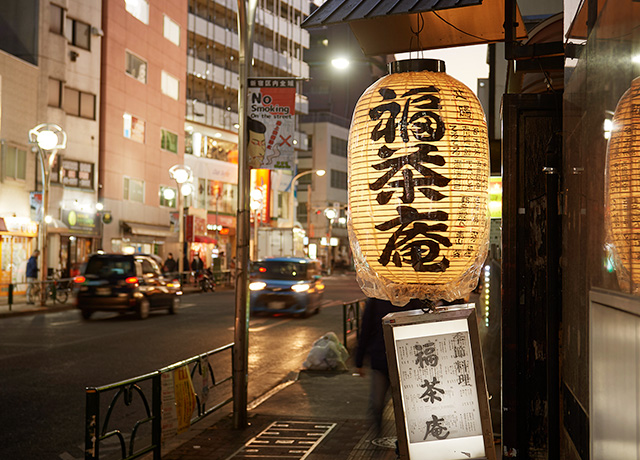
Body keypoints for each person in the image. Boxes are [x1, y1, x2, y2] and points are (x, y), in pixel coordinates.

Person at [355, 296, 425, 435]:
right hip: (380, 359)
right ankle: (378, 431)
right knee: (377, 403)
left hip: (405, 363)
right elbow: (365, 329)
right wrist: (359, 360)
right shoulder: (376, 300)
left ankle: (405, 437)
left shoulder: (413, 299)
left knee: (405, 404)